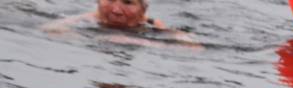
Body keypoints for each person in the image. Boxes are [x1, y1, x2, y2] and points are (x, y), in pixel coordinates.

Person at [44, 0, 198, 43]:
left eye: (128, 3)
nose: (116, 10)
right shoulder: (90, 17)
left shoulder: (151, 24)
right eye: (110, 0)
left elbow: (192, 45)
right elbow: (49, 29)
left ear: (143, 10)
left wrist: (134, 41)